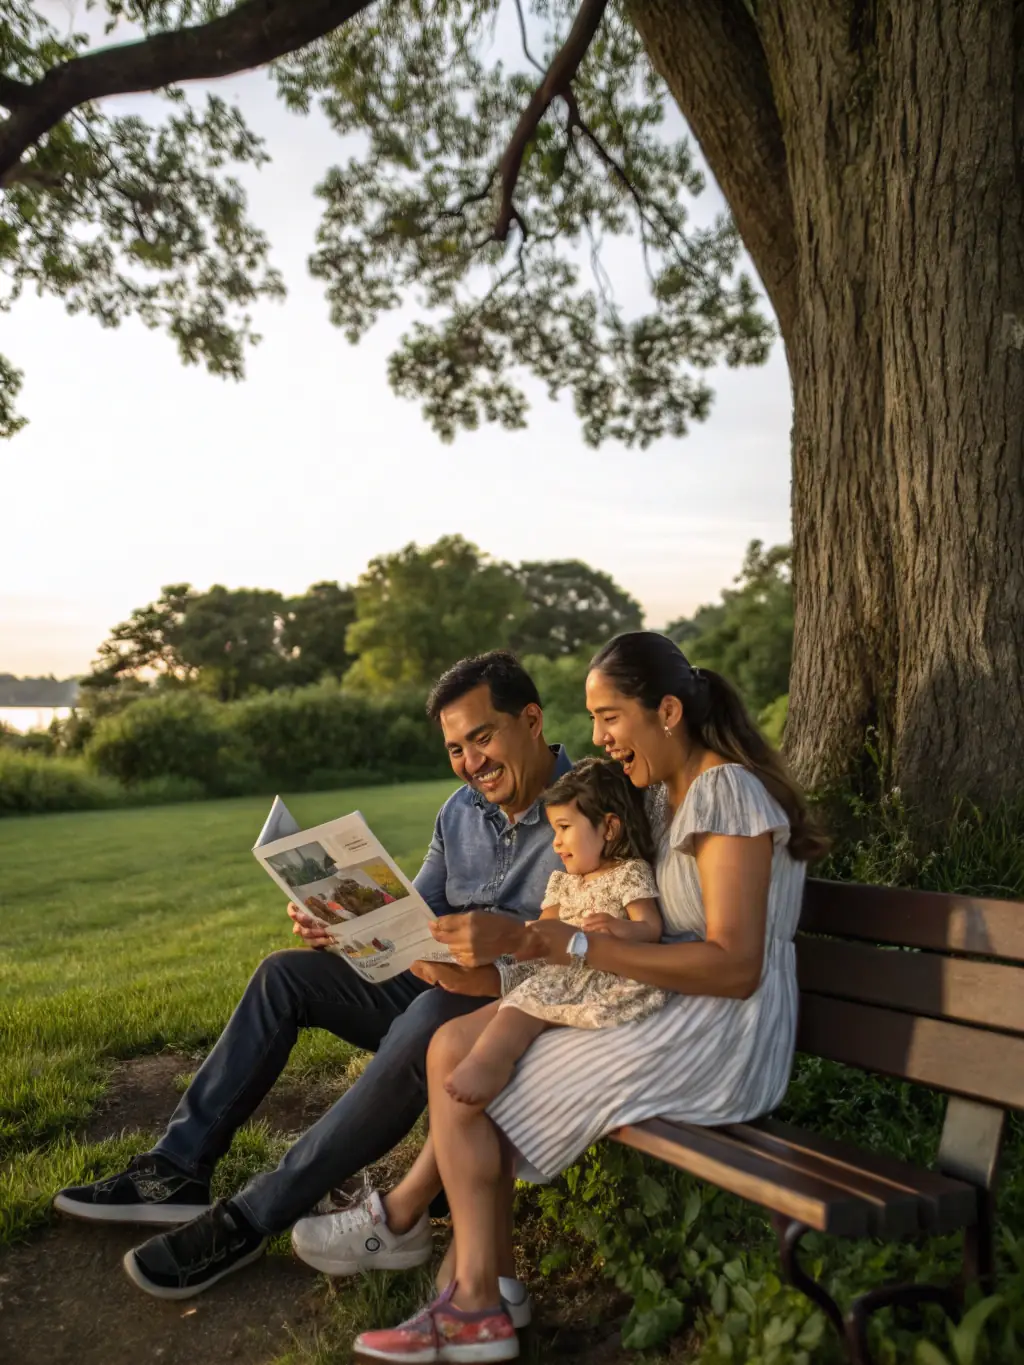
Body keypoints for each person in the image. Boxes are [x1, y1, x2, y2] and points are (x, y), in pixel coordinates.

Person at [351, 630, 828, 1363]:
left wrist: (571, 944)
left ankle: (471, 1299)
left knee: (476, 1079)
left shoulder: (726, 790)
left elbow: (737, 967)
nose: (599, 739)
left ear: (667, 710)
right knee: (452, 1042)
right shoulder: (667, 797)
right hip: (660, 999)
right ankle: (489, 1286)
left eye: (609, 717)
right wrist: (517, 953)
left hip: (721, 1030)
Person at [53, 651, 571, 1310]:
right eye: (455, 748)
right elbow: (420, 910)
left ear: (531, 719)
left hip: (502, 1010)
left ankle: (249, 1218)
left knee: (421, 1020)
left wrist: (485, 961)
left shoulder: (585, 806)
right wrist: (344, 923)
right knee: (285, 975)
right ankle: (177, 1169)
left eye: (482, 737)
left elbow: (582, 950)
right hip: (434, 979)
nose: (472, 761)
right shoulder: (459, 810)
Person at [445, 757, 666, 1108]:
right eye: (554, 831)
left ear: (609, 828)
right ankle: (459, 984)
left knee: (521, 1010)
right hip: (559, 971)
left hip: (601, 972)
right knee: (516, 1001)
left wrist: (620, 929)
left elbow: (651, 928)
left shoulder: (629, 873)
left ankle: (489, 1063)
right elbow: (543, 930)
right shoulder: (562, 882)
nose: (556, 844)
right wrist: (525, 934)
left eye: (564, 828)